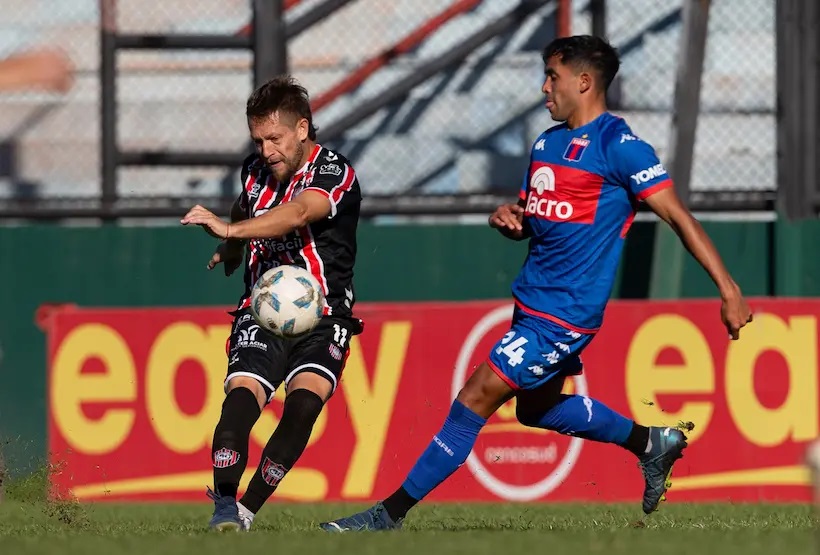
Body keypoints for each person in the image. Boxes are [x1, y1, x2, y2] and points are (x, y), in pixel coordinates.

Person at [319, 35, 753, 533]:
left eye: (553, 76)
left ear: (584, 82)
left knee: (475, 396)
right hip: (533, 303)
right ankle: (650, 443)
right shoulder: (546, 144)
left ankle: (386, 516)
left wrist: (729, 289)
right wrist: (509, 217)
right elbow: (535, 216)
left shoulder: (621, 148)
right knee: (536, 408)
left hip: (566, 313)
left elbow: (678, 216)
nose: (544, 87)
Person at [181, 75, 363, 531]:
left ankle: (248, 509)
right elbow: (248, 205)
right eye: (258, 140)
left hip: (323, 315)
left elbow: (298, 213)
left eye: (274, 138)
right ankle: (224, 505)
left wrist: (228, 231)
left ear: (302, 129)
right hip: (262, 311)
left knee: (303, 406)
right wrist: (234, 247)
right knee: (241, 398)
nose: (266, 150)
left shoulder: (334, 172)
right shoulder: (255, 169)